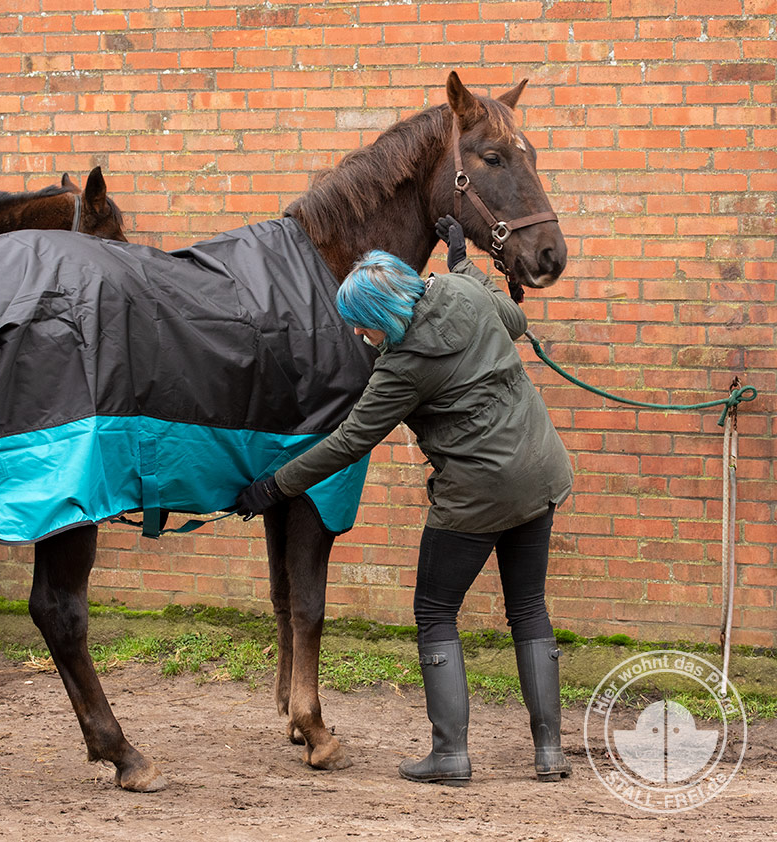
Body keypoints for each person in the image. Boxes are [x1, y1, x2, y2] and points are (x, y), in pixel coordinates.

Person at [236, 217, 574, 785]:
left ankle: (450, 755)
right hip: (541, 472)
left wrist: (276, 485)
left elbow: (347, 441)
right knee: (529, 609)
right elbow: (512, 317)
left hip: (476, 495)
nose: (361, 338)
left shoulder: (399, 367)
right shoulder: (461, 289)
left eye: (361, 328)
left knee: (436, 611)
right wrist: (464, 261)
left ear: (378, 319)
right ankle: (550, 754)